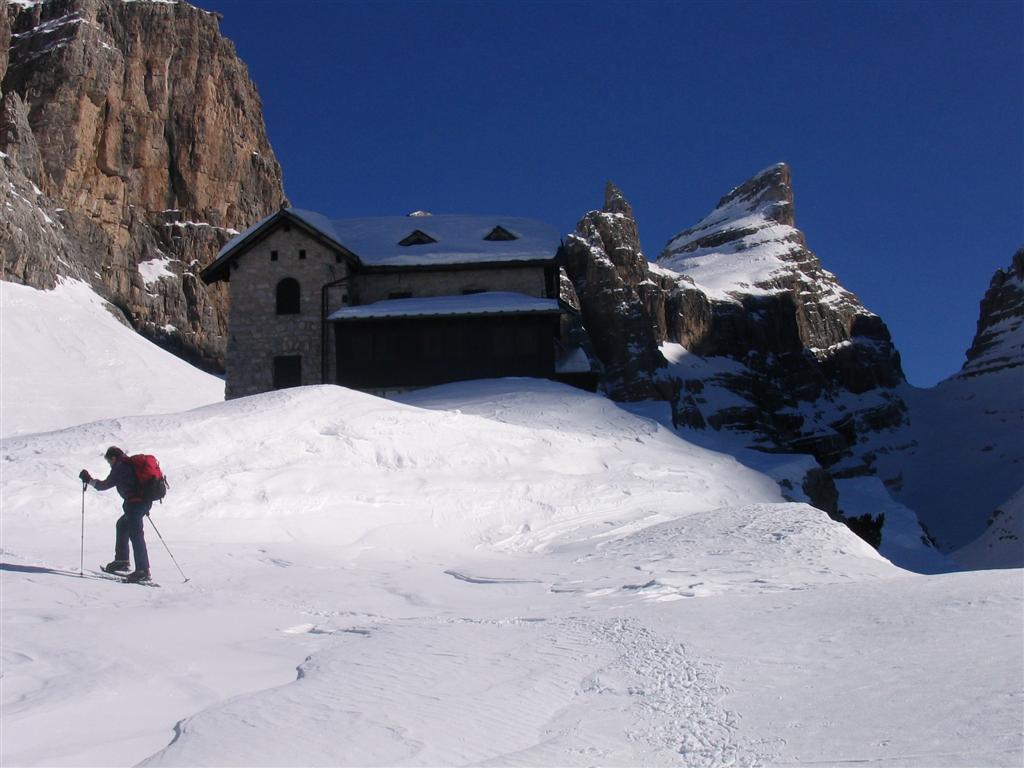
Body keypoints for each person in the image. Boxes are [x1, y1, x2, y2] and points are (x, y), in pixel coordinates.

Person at [79, 446, 152, 583]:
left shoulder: (121, 467)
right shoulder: (129, 464)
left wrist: (88, 479)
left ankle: (143, 570)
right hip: (141, 503)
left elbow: (103, 485)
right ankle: (122, 561)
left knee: (136, 535)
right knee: (122, 525)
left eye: (108, 461)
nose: (109, 464)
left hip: (135, 504)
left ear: (113, 458)